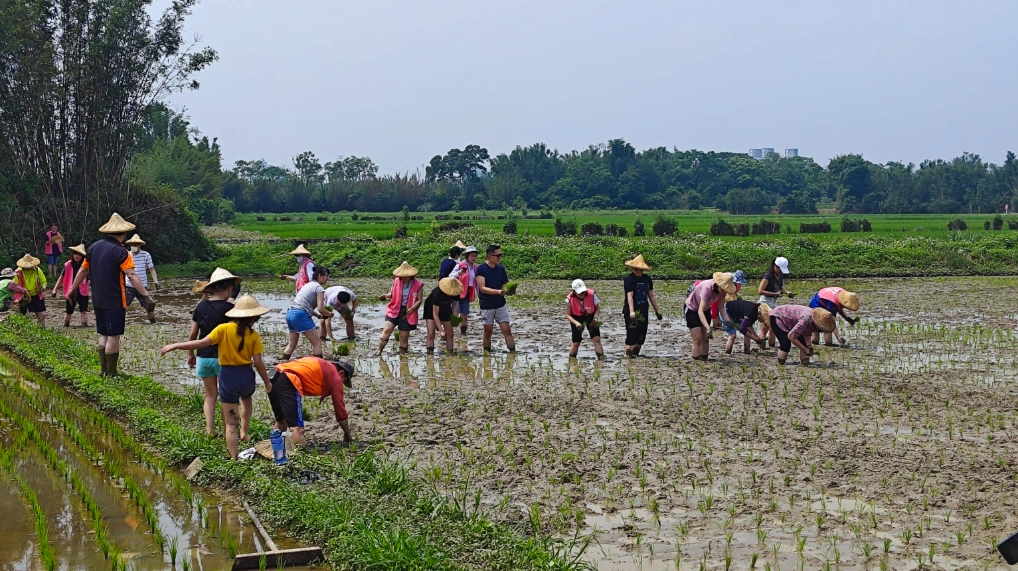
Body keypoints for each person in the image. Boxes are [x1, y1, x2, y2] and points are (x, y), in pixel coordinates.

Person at [160, 295, 273, 460]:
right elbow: (258, 362)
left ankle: (234, 458)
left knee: (230, 423)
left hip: (228, 376)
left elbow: (201, 343)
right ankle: (245, 432)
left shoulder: (223, 329)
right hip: (246, 376)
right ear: (254, 317)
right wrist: (267, 382)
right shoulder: (254, 335)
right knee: (247, 400)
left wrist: (176, 345)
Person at [69, 213, 156, 377]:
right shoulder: (121, 252)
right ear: (123, 234)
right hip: (115, 299)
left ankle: (103, 371)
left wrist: (72, 289)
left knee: (104, 334)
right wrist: (145, 295)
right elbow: (132, 275)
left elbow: (83, 270)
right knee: (114, 336)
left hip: (98, 299)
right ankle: (112, 373)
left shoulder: (93, 248)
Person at [187, 268, 241, 436]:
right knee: (226, 395)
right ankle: (227, 431)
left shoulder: (201, 307)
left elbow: (193, 334)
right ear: (230, 289)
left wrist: (190, 354)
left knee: (210, 395)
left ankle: (210, 429)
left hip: (203, 356)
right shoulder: (231, 308)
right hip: (223, 358)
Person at [269, 357, 354, 444]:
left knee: (281, 421)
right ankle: (299, 455)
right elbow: (340, 410)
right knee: (297, 429)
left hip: (273, 377)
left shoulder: (323, 364)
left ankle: (274, 449)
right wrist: (347, 434)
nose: (342, 383)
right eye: (344, 380)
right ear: (342, 373)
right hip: (288, 380)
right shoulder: (336, 377)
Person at [283, 266, 333, 360]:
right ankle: (319, 366)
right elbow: (321, 308)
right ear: (320, 275)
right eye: (327, 275)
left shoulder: (308, 285)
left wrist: (318, 316)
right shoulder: (319, 288)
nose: (328, 278)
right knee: (317, 343)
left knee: (292, 344)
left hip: (291, 313)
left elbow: (305, 306)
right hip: (300, 315)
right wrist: (329, 314)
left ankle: (281, 364)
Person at [685, 272, 737, 361]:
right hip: (692, 309)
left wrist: (728, 321)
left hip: (705, 309)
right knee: (697, 339)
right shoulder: (707, 288)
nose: (725, 291)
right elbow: (700, 311)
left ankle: (704, 359)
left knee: (705, 338)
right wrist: (708, 328)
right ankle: (696, 362)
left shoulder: (722, 292)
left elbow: (721, 307)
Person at [475, 244, 516, 353]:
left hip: (500, 304)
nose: (499, 258)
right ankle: (486, 353)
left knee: (507, 330)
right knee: (488, 331)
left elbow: (504, 284)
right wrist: (499, 292)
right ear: (489, 256)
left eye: (500, 255)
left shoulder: (501, 269)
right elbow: (482, 288)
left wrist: (509, 290)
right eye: (497, 255)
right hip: (487, 305)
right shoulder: (481, 269)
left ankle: (512, 353)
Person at [378, 262, 424, 354]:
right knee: (386, 331)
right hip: (394, 308)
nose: (404, 278)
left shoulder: (418, 284)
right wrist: (385, 296)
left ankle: (403, 357)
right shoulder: (396, 281)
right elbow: (392, 294)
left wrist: (413, 307)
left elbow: (419, 299)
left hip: (407, 311)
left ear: (411, 275)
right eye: (402, 276)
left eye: (406, 276)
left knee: (403, 337)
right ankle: (379, 351)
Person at [768, 305, 835, 366]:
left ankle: (804, 364)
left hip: (792, 322)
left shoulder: (813, 321)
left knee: (804, 343)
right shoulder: (806, 319)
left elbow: (806, 332)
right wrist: (804, 349)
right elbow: (791, 336)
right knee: (785, 343)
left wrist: (808, 345)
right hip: (779, 317)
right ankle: (781, 364)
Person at [622, 255, 662, 357]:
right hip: (631, 311)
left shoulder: (647, 279)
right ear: (633, 268)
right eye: (636, 269)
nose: (638, 271)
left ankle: (636, 355)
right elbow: (629, 295)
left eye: (641, 270)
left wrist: (657, 311)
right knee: (632, 336)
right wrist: (632, 311)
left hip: (643, 310)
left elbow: (651, 295)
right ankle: (629, 358)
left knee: (641, 337)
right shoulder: (629, 279)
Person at [757, 257, 792, 348]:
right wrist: (775, 293)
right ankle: (762, 348)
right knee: (764, 328)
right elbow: (760, 291)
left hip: (774, 302)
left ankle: (771, 345)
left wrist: (786, 292)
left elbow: (780, 286)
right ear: (776, 267)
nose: (781, 272)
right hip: (765, 302)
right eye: (780, 269)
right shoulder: (767, 276)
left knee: (773, 327)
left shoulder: (779, 275)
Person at [124, 234, 159, 323]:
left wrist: (156, 281)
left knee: (149, 307)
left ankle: (153, 323)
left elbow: (151, 269)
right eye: (132, 244)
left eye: (136, 244)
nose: (134, 246)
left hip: (142, 285)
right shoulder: (127, 255)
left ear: (140, 245)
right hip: (129, 285)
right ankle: (118, 323)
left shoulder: (146, 255)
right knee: (123, 306)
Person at [565, 279, 604, 359]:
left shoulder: (591, 294)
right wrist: (576, 323)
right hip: (576, 318)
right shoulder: (570, 299)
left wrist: (595, 318)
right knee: (576, 342)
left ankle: (601, 360)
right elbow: (568, 315)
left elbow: (597, 309)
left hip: (591, 316)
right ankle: (572, 361)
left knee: (596, 338)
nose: (582, 294)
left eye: (583, 291)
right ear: (574, 291)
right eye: (580, 292)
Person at [53, 244, 90, 327]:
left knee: (84, 310)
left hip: (82, 291)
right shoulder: (68, 265)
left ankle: (84, 325)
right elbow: (61, 277)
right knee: (69, 310)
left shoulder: (86, 265)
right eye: (75, 253)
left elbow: (90, 278)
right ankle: (66, 324)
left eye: (79, 254)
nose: (77, 256)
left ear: (83, 256)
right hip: (70, 290)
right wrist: (55, 289)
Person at [424, 277, 462, 353]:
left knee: (450, 334)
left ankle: (450, 352)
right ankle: (430, 354)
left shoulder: (456, 291)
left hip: (446, 307)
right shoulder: (438, 293)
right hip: (431, 309)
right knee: (431, 333)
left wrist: (454, 317)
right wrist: (441, 330)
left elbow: (455, 305)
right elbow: (435, 314)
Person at [451, 245, 478, 334]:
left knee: (464, 313)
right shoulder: (460, 265)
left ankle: (463, 333)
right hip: (458, 293)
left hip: (467, 292)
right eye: (472, 256)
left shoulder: (475, 267)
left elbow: (477, 282)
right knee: (455, 313)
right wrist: (459, 273)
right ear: (467, 256)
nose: (474, 258)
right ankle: (449, 331)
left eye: (475, 256)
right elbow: (450, 276)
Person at [13, 255, 47, 326]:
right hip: (24, 297)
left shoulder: (37, 270)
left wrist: (43, 288)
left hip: (36, 295)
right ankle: (28, 334)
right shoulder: (18, 272)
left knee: (42, 316)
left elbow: (43, 281)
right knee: (28, 316)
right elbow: (14, 286)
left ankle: (42, 331)